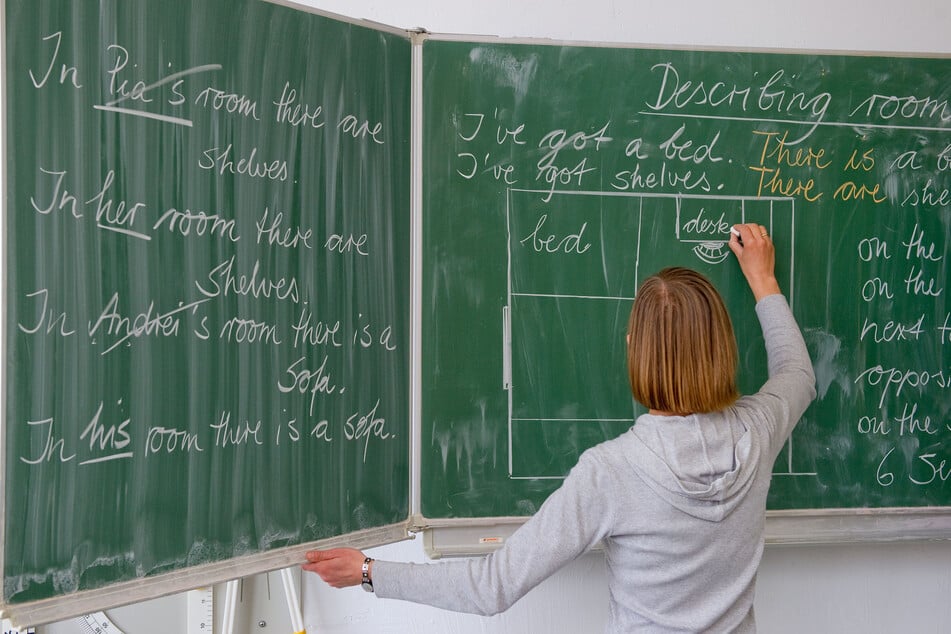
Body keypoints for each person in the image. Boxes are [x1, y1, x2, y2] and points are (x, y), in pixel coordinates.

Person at [303, 223, 817, 633]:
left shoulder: (612, 473)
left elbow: (493, 588)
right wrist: (763, 279)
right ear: (722, 347)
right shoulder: (758, 431)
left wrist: (369, 572)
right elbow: (798, 374)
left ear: (634, 347)